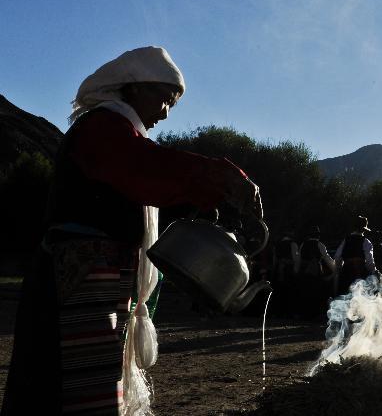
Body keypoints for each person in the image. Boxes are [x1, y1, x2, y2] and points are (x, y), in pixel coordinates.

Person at [1, 47, 262, 416]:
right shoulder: (101, 127)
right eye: (164, 99)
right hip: (79, 274)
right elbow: (144, 170)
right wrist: (221, 177)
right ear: (135, 88)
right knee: (76, 382)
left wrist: (205, 200)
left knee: (91, 375)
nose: (166, 113)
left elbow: (149, 182)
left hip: (102, 276)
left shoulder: (122, 134)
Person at [333, 217, 379, 296]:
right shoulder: (366, 242)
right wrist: (374, 272)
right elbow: (369, 262)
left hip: (346, 274)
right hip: (360, 275)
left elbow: (337, 256)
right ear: (364, 230)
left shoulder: (346, 240)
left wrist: (340, 268)